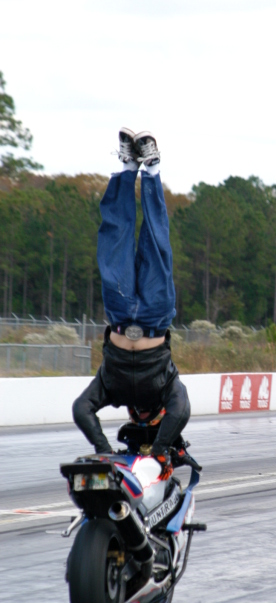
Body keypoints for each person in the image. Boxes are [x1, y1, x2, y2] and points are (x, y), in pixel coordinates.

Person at [72, 128, 190, 478]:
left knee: (115, 237)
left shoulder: (112, 386)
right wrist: (157, 452)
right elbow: (181, 411)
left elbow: (82, 409)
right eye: (144, 417)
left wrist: (104, 452)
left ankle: (127, 168)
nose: (138, 415)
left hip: (121, 312)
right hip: (154, 315)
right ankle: (150, 169)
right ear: (153, 415)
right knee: (155, 240)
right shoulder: (167, 387)